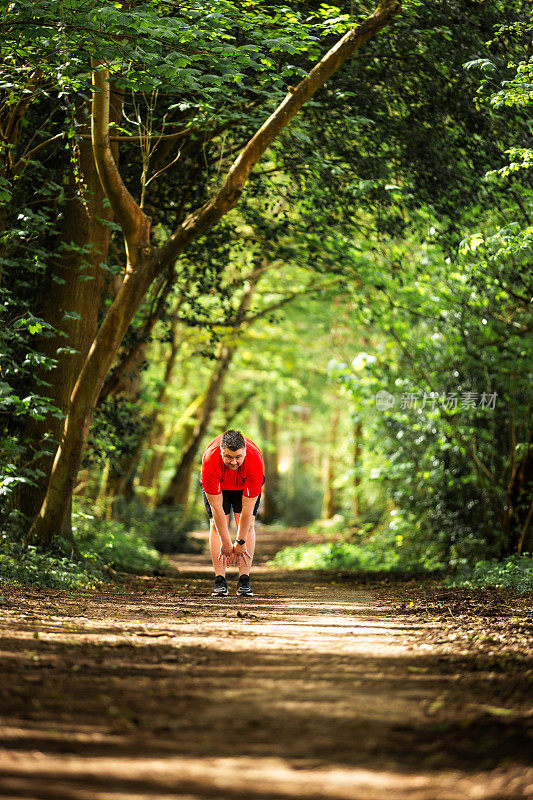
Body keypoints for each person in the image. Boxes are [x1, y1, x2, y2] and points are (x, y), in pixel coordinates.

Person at [200, 429, 264, 597]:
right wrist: (226, 543)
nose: (234, 462)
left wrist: (240, 541)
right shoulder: (210, 459)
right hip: (219, 483)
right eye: (228, 457)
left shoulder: (254, 460)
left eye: (238, 457)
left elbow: (247, 512)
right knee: (215, 524)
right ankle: (219, 581)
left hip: (244, 484)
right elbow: (217, 509)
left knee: (248, 524)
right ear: (221, 452)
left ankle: (244, 580)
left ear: (244, 453)